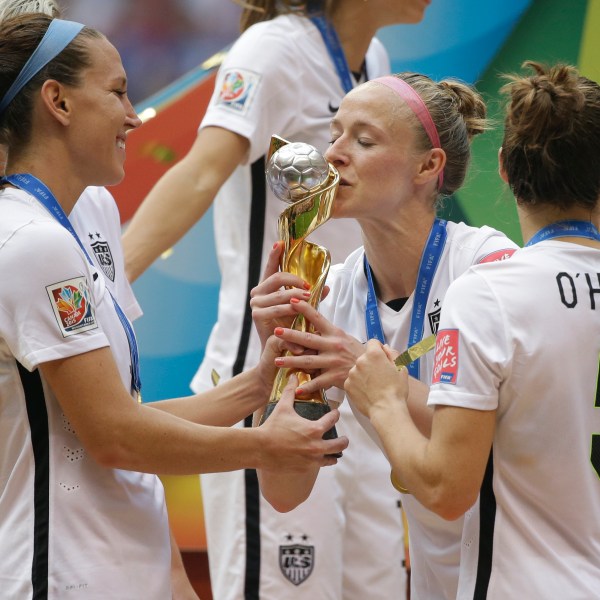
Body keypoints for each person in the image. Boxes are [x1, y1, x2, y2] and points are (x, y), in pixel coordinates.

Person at [0, 14, 347, 598]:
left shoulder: (92, 214)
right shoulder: (28, 240)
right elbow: (113, 437)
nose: (134, 114)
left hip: (124, 571)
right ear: (57, 102)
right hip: (57, 574)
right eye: (116, 91)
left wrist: (258, 385)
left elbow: (125, 421)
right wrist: (264, 445)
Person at [122, 2, 435, 598]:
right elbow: (198, 174)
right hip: (272, 377)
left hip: (356, 377)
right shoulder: (272, 49)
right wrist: (107, 286)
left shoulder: (374, 62)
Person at [251, 72, 519, 600]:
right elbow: (285, 492)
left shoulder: (489, 267)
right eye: (334, 136)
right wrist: (281, 361)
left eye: (364, 140)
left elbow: (505, 442)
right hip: (438, 579)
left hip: (524, 570)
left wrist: (367, 373)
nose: (334, 155)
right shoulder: (338, 291)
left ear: (428, 166)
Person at [343, 61, 600, 598]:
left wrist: (385, 400)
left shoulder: (488, 287)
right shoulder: (345, 283)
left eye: (364, 139)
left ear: (504, 168)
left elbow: (444, 488)